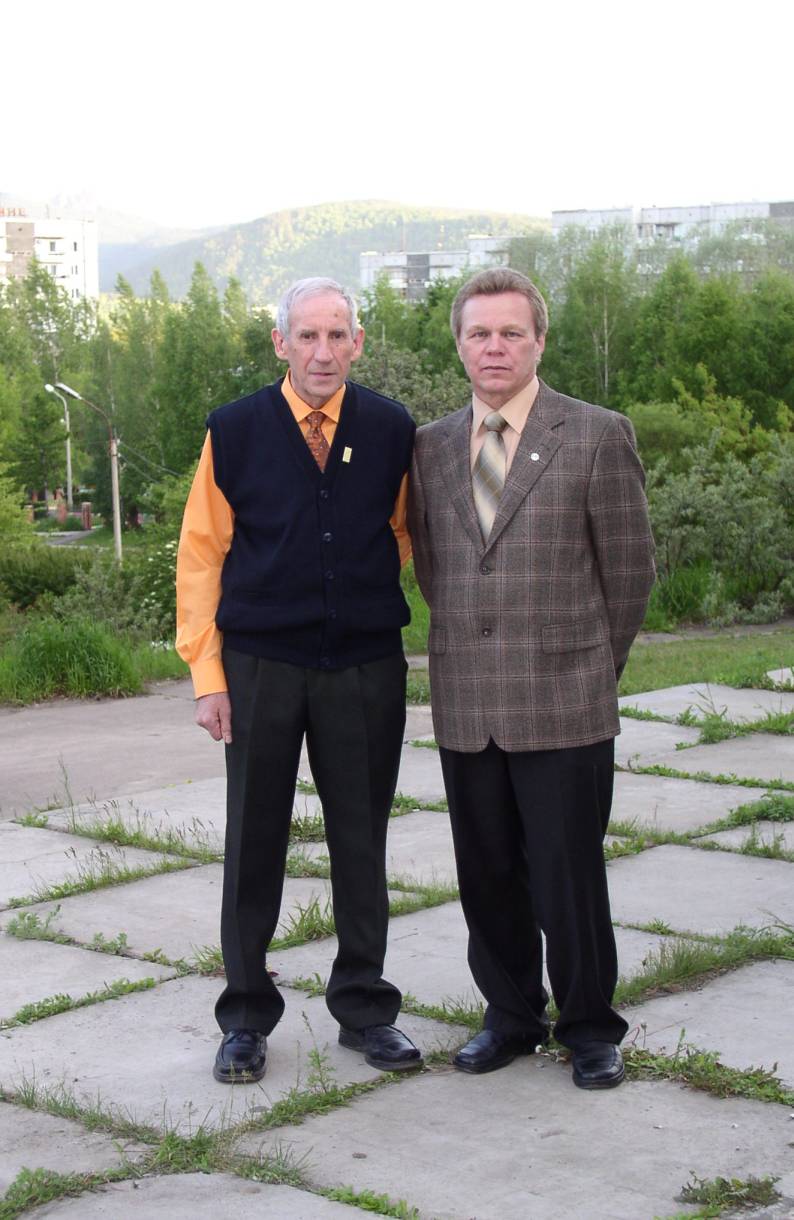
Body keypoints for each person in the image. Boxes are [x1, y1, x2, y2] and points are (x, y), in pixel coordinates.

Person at [408, 268, 655, 1088]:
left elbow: (629, 574)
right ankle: (511, 1016)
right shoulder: (430, 446)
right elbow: (437, 570)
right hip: (468, 698)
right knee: (486, 875)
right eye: (479, 333)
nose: (495, 347)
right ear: (459, 344)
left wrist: (590, 667)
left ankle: (590, 1028)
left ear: (540, 341)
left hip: (565, 698)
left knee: (567, 876)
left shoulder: (597, 434)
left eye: (512, 332)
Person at [176, 277, 422, 1082]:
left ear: (358, 343)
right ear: (280, 342)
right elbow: (202, 555)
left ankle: (365, 1008)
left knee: (362, 838)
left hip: (364, 667)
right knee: (253, 842)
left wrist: (353, 596)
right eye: (307, 336)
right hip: (260, 668)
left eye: (337, 335)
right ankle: (246, 1016)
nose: (323, 352)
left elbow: (400, 534)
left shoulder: (390, 428)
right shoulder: (235, 430)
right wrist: (208, 674)